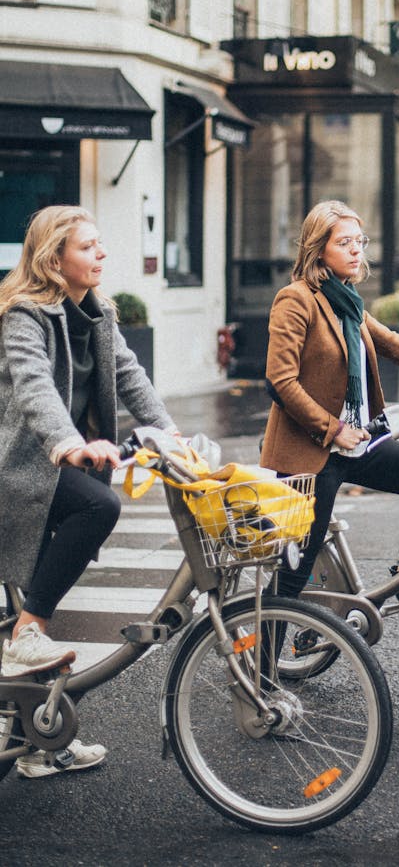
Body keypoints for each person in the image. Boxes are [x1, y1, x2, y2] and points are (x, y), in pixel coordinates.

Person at [0, 205, 178, 777]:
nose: (101, 254)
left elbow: (130, 376)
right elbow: (32, 387)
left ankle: (39, 741)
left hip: (55, 469)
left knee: (48, 598)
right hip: (22, 468)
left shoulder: (98, 316)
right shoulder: (24, 316)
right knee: (99, 506)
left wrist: (171, 437)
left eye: (101, 245)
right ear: (55, 259)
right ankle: (27, 633)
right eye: (88, 247)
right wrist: (68, 444)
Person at [260, 200, 399, 604]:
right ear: (319, 250)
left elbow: (396, 346)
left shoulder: (347, 303)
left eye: (359, 241)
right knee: (294, 576)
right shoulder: (295, 300)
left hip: (359, 444)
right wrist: (333, 429)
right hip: (310, 455)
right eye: (344, 242)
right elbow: (280, 381)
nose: (356, 250)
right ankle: (259, 667)